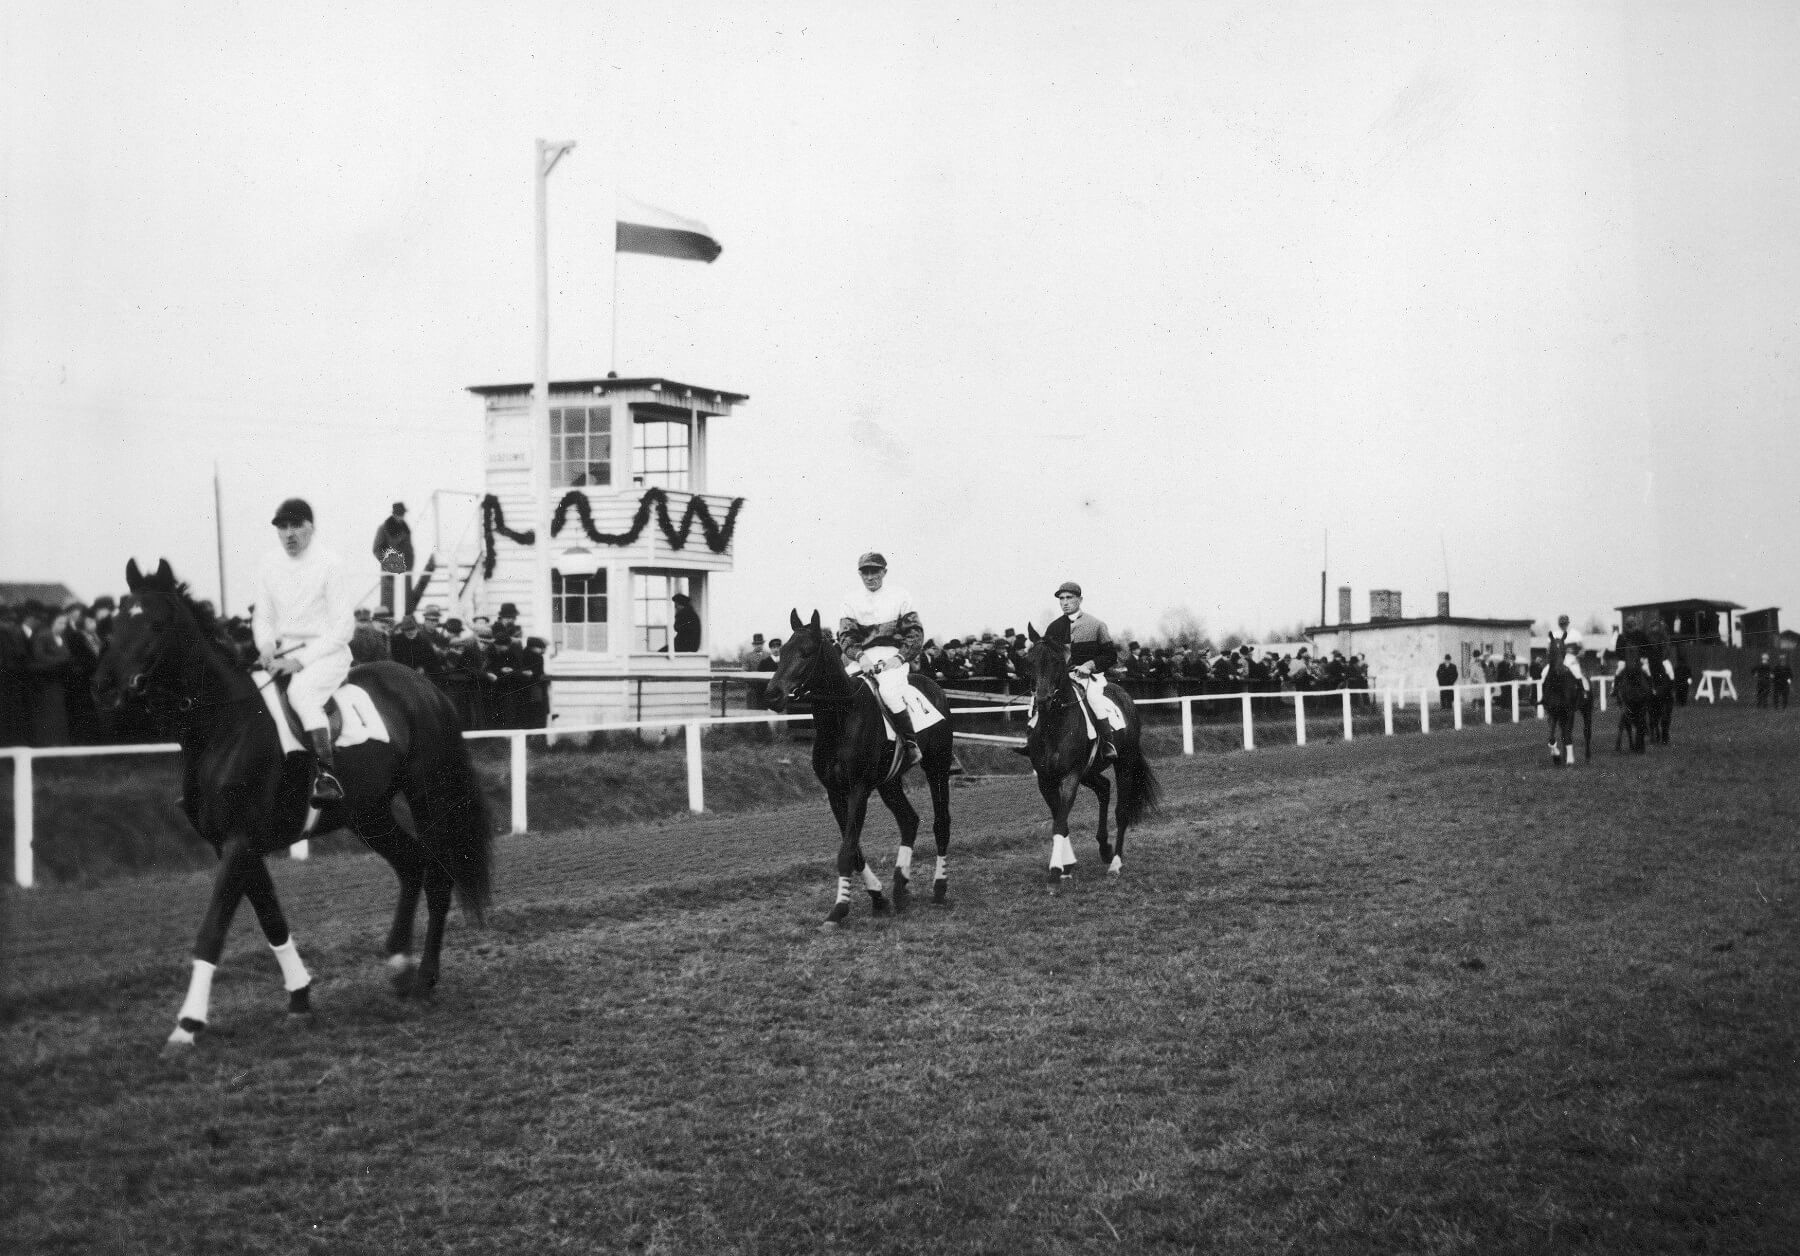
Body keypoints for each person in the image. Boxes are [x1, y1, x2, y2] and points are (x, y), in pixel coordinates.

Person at [253, 497, 357, 804]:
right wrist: (267, 645)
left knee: (301, 694)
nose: (289, 534)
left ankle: (327, 776)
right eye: (282, 527)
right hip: (285, 653)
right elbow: (263, 616)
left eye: (296, 525)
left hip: (327, 654)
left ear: (311, 527)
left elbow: (343, 628)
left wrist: (300, 661)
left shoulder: (330, 563)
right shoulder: (269, 563)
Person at [836, 552, 927, 766]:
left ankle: (910, 744)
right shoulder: (850, 600)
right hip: (862, 657)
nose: (870, 576)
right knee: (843, 690)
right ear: (860, 574)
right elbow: (846, 635)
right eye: (865, 572)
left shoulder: (901, 596)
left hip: (892, 655)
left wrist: (901, 656)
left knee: (888, 691)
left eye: (874, 571)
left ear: (884, 572)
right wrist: (860, 656)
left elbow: (915, 632)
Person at [1038, 581, 1126, 760]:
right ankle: (1034, 742)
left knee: (1094, 699)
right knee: (1039, 699)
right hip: (1062, 679)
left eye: (1069, 598)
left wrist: (1089, 666)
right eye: (1061, 599)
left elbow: (1110, 655)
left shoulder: (1096, 625)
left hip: (1089, 677)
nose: (1065, 602)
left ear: (1080, 599)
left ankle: (1107, 744)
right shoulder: (1053, 628)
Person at [372, 501, 414, 572]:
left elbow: (409, 551)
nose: (401, 516)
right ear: (394, 514)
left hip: (405, 572)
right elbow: (377, 549)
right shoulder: (383, 528)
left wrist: (408, 568)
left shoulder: (406, 530)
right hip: (388, 573)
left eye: (402, 514)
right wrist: (390, 563)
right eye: (399, 513)